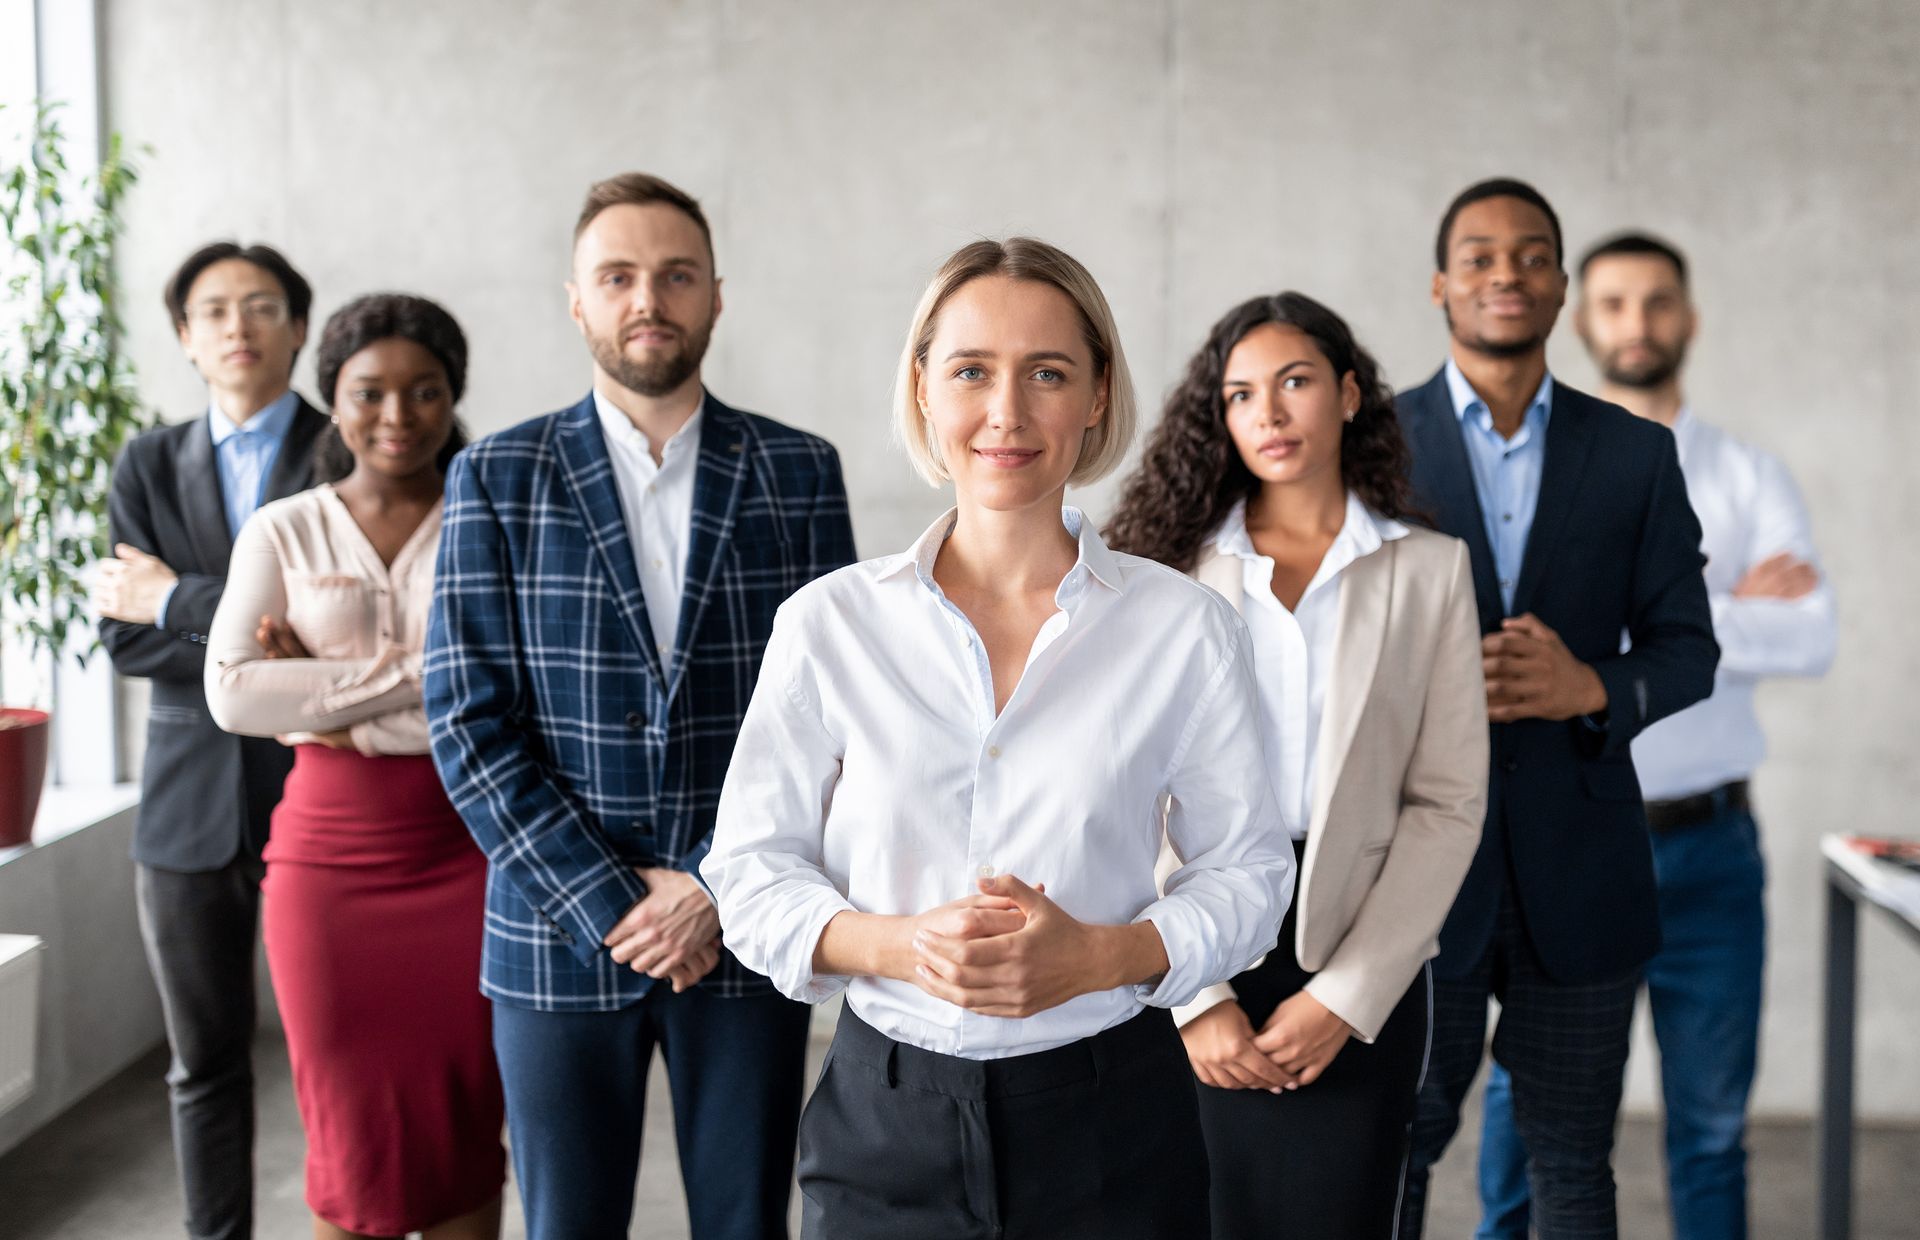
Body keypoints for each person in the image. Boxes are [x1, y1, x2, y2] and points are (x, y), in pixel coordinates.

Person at [703, 237, 1297, 1240]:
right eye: (972, 370)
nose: (1007, 413)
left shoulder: (1186, 628)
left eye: (1048, 373)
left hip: (1115, 1121)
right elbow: (752, 875)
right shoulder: (829, 623)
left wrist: (1105, 955)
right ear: (925, 389)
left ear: (1099, 395)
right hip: (881, 1122)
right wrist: (899, 944)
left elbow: (1248, 874)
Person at [423, 172, 857, 1240]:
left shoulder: (799, 472)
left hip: (745, 922)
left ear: (716, 295)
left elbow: (836, 721)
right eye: (617, 277)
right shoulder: (497, 475)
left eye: (674, 276)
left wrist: (712, 884)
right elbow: (468, 723)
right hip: (557, 929)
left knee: (748, 1218)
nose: (647, 299)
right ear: (577, 300)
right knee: (566, 1223)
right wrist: (611, 897)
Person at [1474, 233, 1837, 1240]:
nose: (1638, 323)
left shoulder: (1749, 473)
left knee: (1712, 1126)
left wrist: (1651, 626)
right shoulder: (1537, 472)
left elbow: (1813, 635)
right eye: (1617, 303)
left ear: (1689, 317)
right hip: (1567, 842)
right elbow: (1511, 644)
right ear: (1583, 320)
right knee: (1522, 1116)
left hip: (1709, 850)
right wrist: (1712, 601)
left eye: (1658, 302)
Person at [1105, 290, 1487, 1239]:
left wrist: (1345, 998)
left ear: (1350, 394)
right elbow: (1123, 791)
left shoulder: (1428, 571)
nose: (1267, 414)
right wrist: (1196, 997)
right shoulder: (1167, 571)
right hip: (1183, 941)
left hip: (1356, 949)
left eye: (1295, 383)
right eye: (1240, 395)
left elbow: (1446, 804)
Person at [1393, 179, 1720, 1240]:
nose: (1506, 274)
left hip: (1583, 874)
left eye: (1531, 255)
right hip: (1413, 876)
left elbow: (1688, 652)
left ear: (1562, 286)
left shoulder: (1632, 452)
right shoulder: (1371, 449)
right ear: (1441, 283)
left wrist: (1593, 687)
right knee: (1391, 1147)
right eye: (1480, 255)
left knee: (1573, 1163)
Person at [203, 293, 502, 1240]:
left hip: (471, 852)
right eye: (369, 392)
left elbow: (520, 687)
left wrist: (321, 687)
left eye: (425, 392)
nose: (397, 416)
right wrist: (431, 679)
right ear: (332, 398)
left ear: (452, 399)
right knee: (346, 1135)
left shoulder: (491, 519)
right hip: (327, 861)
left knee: (464, 1125)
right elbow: (235, 696)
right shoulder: (283, 530)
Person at [97, 241, 327, 1240]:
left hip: (325, 792)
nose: (239, 325)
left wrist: (179, 600)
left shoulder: (352, 444)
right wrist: (259, 643)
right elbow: (121, 634)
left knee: (340, 1056)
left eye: (263, 304)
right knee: (205, 1063)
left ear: (300, 327)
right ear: (187, 339)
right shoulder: (146, 463)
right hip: (186, 811)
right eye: (215, 310)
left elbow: (349, 640)